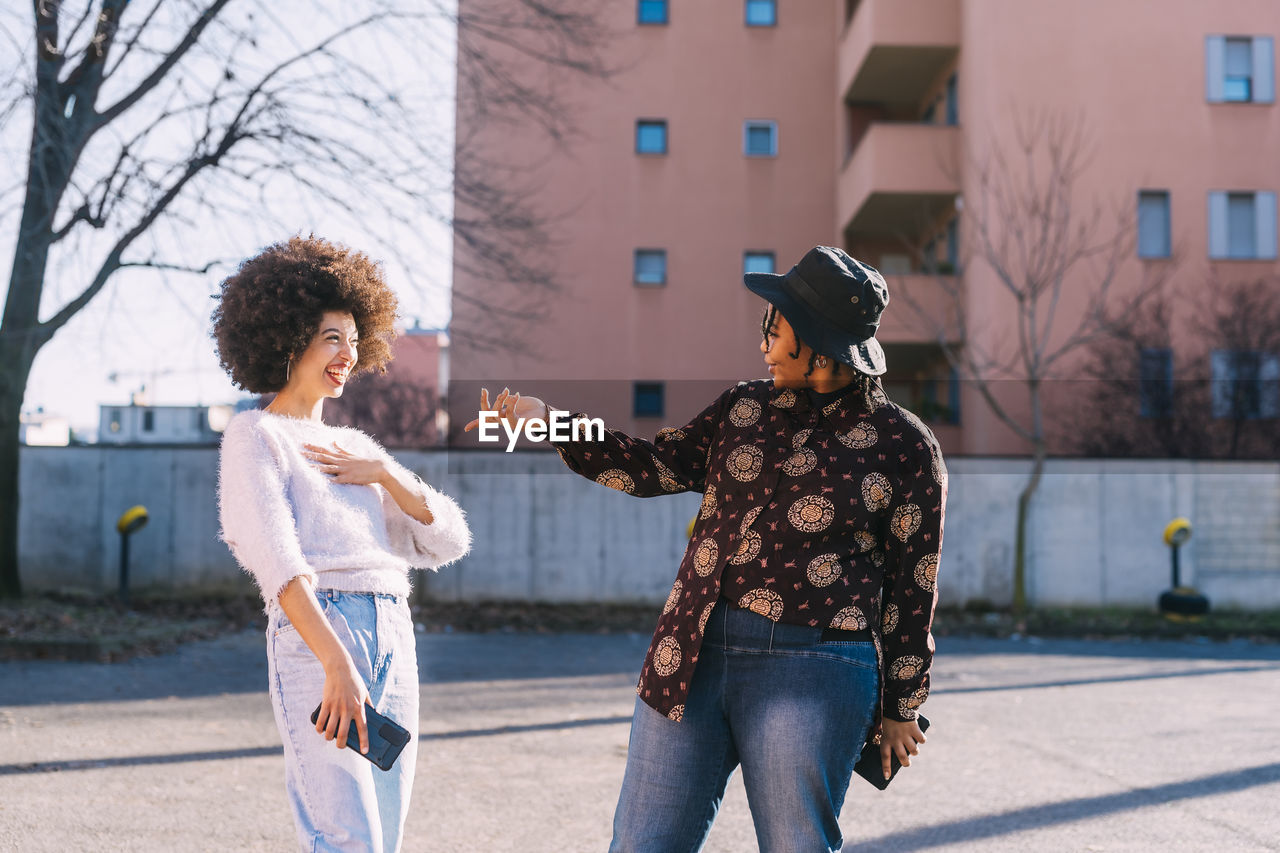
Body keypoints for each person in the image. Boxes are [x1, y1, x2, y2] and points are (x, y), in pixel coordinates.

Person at [466, 246, 946, 852]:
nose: (764, 341)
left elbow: (914, 585)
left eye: (778, 325)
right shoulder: (741, 408)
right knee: (643, 845)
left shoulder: (905, 446)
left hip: (815, 668)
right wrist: (552, 422)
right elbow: (652, 465)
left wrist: (903, 704)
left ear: (821, 343)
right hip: (689, 654)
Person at [213, 235, 471, 852]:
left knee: (385, 835)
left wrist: (385, 474)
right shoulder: (256, 436)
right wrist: (335, 662)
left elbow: (449, 540)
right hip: (322, 632)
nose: (348, 355)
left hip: (393, 630)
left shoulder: (358, 449)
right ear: (287, 338)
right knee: (346, 838)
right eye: (333, 337)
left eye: (356, 341)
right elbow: (278, 564)